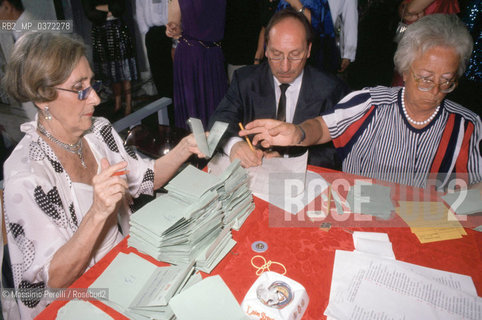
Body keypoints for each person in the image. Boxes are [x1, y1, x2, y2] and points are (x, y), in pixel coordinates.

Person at [2, 32, 205, 318]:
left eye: (92, 83)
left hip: (122, 269)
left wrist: (184, 149)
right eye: (80, 89)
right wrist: (98, 212)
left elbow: (144, 178)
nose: (96, 98)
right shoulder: (27, 175)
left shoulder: (98, 132)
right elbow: (56, 278)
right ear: (42, 97)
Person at [240, 14, 481, 190]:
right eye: (426, 79)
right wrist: (298, 133)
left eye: (447, 81)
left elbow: (477, 188)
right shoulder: (370, 103)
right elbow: (323, 126)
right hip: (361, 221)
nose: (436, 90)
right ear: (405, 71)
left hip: (427, 230)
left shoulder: (467, 125)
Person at [208, 9, 349, 169]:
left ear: (309, 50)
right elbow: (219, 120)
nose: (285, 66)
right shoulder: (245, 80)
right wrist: (234, 145)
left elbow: (337, 151)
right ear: (266, 49)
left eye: (295, 54)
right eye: (276, 54)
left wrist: (287, 159)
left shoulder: (331, 89)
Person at [166, 0, 228, 130]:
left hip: (214, 57)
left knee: (216, 108)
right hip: (191, 58)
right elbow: (173, 26)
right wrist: (173, 29)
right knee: (193, 114)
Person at [81, 0, 137, 116]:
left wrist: (98, 7)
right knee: (111, 71)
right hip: (100, 33)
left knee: (124, 69)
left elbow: (119, 8)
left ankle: (128, 104)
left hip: (118, 30)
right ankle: (117, 104)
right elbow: (89, 13)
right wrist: (108, 9)